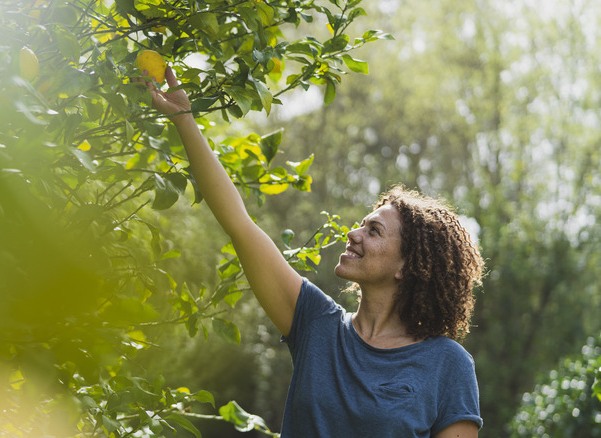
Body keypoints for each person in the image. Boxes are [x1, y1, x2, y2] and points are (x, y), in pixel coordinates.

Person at [144, 67, 485, 438]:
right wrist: (183, 119)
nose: (353, 234)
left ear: (407, 264)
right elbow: (239, 223)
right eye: (361, 224)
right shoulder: (315, 324)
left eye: (373, 231)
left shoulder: (448, 366)